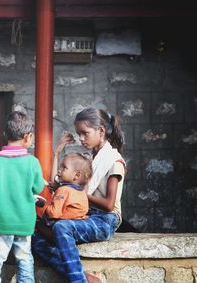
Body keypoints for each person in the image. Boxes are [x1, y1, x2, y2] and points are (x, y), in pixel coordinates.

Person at [32, 108, 126, 283]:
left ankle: (78, 281)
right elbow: (58, 185)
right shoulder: (91, 160)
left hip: (105, 220)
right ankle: (83, 276)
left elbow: (108, 204)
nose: (81, 138)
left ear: (101, 131)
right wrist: (57, 152)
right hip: (84, 216)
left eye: (85, 133)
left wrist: (78, 193)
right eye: (79, 134)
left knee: (61, 227)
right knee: (33, 235)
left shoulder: (114, 161)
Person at [0, 111, 45, 283]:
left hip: (1, 221)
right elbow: (37, 187)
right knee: (25, 258)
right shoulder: (32, 162)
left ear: (5, 135)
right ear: (28, 137)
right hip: (24, 221)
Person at [38, 152, 92, 237]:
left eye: (64, 168)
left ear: (77, 175)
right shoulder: (81, 190)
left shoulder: (63, 190)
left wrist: (44, 204)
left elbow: (54, 213)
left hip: (63, 224)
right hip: (78, 222)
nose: (59, 170)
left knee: (37, 221)